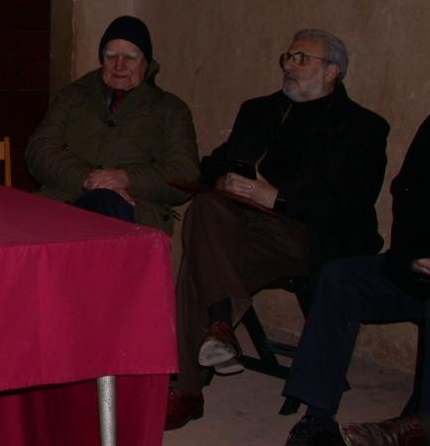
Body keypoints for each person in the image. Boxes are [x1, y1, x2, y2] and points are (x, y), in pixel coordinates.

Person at [166, 29, 389, 431]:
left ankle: (188, 386)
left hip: (304, 233)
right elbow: (213, 162)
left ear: (331, 72)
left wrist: (279, 198)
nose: (289, 66)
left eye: (302, 59)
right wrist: (223, 181)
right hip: (240, 223)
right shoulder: (259, 110)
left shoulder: (363, 127)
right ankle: (218, 329)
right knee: (206, 206)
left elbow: (351, 199)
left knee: (200, 262)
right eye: (288, 57)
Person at [281, 114, 430, 446]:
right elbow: (407, 192)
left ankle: (419, 422)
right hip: (416, 268)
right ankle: (317, 417)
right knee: (340, 278)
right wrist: (412, 255)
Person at [25, 15, 199, 235]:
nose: (119, 65)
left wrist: (126, 178)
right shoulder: (73, 96)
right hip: (66, 199)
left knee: (107, 210)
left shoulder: (170, 109)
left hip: (134, 210)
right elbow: (39, 150)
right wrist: (88, 178)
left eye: (130, 57)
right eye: (111, 56)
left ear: (146, 62)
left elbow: (185, 174)